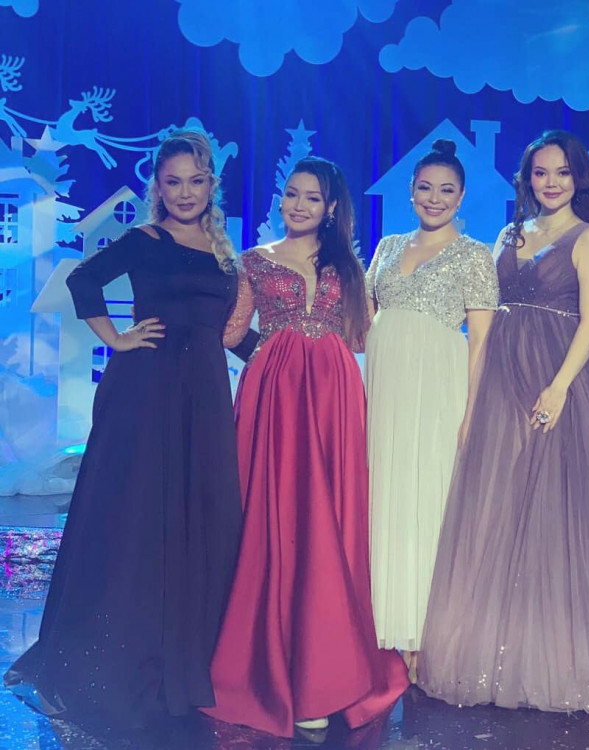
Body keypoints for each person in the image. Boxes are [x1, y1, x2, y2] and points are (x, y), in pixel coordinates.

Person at [417, 130, 589, 725]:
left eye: (562, 173)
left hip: (560, 380)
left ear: (579, 179)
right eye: (541, 172)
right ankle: (507, 649)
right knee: (503, 510)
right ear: (527, 178)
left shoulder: (587, 238)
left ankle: (567, 653)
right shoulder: (509, 235)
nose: (550, 182)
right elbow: (483, 314)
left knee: (560, 515)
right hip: (503, 377)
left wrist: (558, 386)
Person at [4, 130, 243, 728]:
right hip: (147, 391)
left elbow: (226, 330)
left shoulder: (222, 251)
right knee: (136, 516)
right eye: (173, 182)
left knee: (199, 513)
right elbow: (83, 282)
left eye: (196, 181)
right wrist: (117, 338)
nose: (185, 192)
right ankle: (123, 644)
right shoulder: (145, 240)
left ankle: (192, 646)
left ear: (211, 185)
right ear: (157, 186)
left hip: (205, 397)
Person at [202, 156, 409, 738]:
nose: (297, 205)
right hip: (276, 394)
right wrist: (271, 355)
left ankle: (331, 671)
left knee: (331, 519)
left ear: (331, 208)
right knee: (278, 518)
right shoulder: (254, 260)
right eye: (291, 194)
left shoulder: (348, 265)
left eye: (311, 198)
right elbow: (230, 332)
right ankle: (280, 672)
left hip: (335, 395)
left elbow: (365, 334)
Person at [365, 139, 498, 681]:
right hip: (384, 388)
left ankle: (427, 636)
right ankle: (385, 630)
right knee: (385, 498)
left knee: (429, 501)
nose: (434, 198)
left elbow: (481, 341)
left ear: (461, 196)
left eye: (446, 190)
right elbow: (367, 320)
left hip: (438, 389)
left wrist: (471, 412)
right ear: (411, 191)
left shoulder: (474, 255)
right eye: (425, 188)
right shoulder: (387, 246)